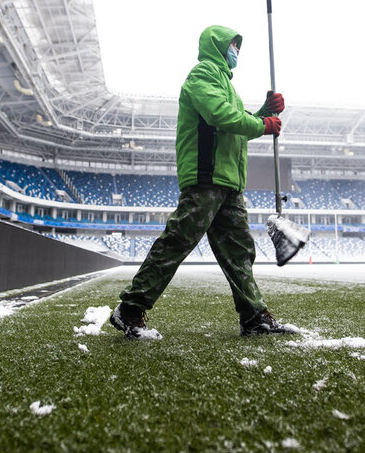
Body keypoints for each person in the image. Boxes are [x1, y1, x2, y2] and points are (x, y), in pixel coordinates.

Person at [110, 24, 294, 339]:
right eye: (232, 45)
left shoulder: (225, 84)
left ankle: (254, 317)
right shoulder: (202, 75)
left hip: (228, 184)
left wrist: (263, 113)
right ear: (218, 46)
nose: (236, 51)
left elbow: (233, 122)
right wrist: (262, 124)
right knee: (178, 241)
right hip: (206, 177)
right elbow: (219, 116)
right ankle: (129, 309)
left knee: (239, 251)